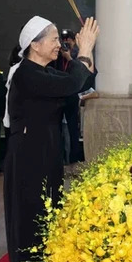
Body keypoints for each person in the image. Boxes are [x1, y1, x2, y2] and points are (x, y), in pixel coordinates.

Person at [3, 16, 98, 262]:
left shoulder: (45, 71)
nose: (59, 44)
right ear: (35, 44)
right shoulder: (26, 74)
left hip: (46, 155)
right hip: (29, 159)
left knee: (48, 216)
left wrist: (87, 51)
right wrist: (83, 50)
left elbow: (82, 81)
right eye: (54, 39)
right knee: (31, 220)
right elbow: (72, 82)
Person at [55, 29, 84, 163]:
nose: (66, 44)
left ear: (74, 42)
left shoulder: (77, 55)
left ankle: (73, 159)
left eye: (69, 41)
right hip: (59, 97)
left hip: (72, 98)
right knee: (56, 129)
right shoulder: (57, 56)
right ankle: (59, 158)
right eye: (64, 41)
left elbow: (79, 74)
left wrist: (69, 58)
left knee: (73, 130)